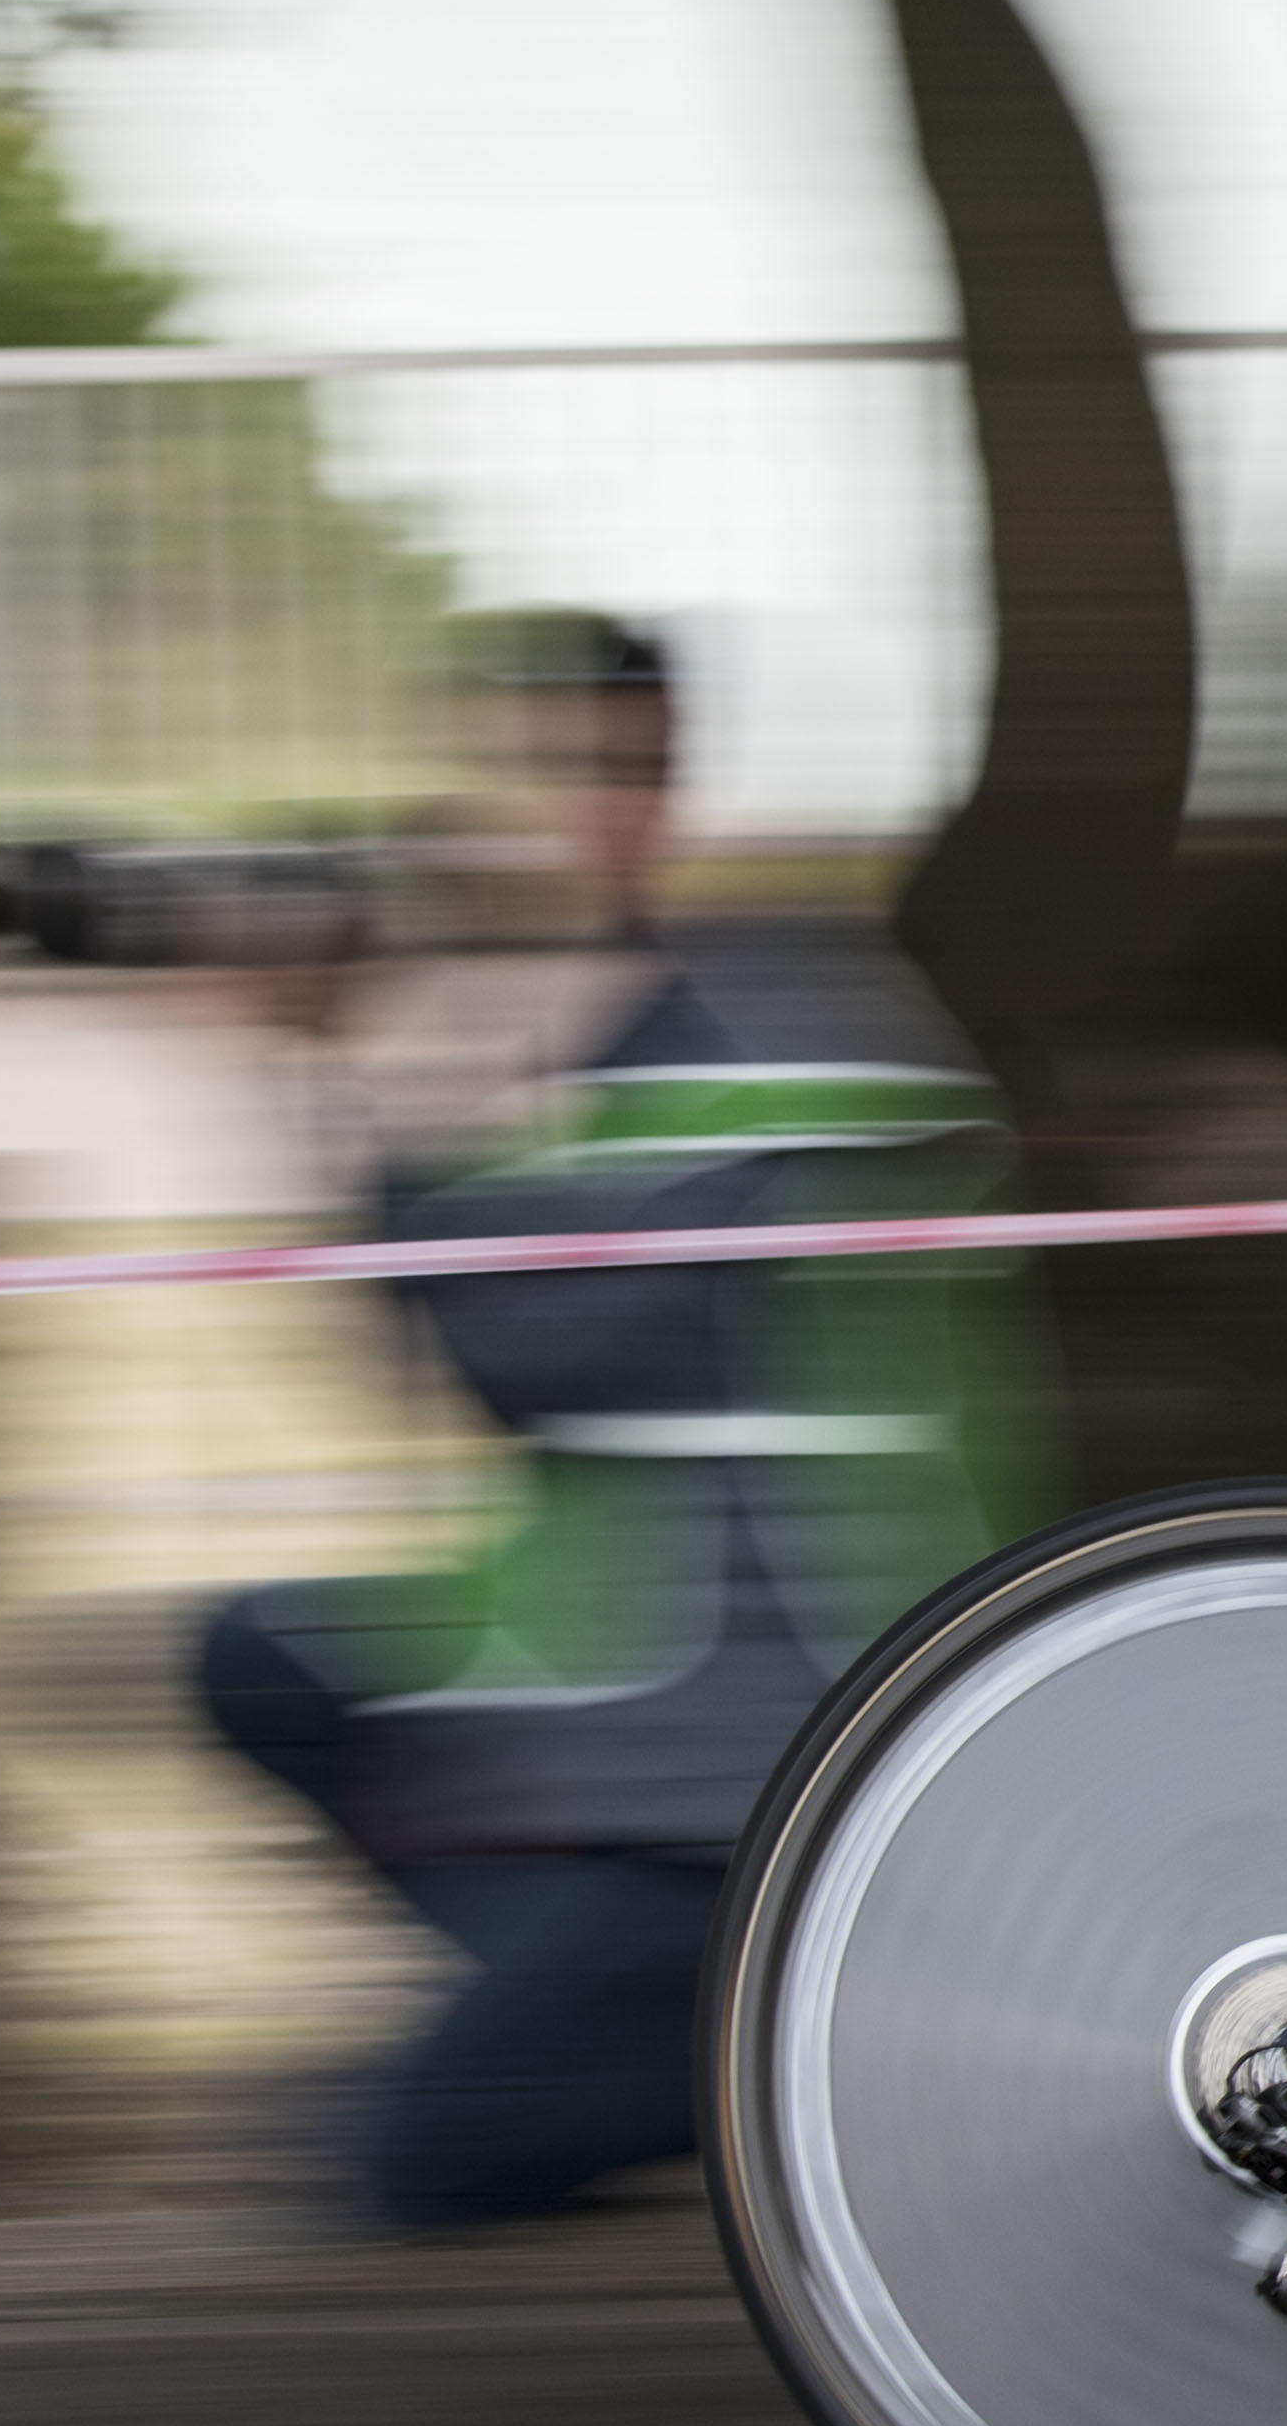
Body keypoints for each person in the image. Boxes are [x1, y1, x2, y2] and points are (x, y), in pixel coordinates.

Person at [191, 614, 1045, 2228]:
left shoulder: (787, 1040)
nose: (526, 820)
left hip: (776, 1762)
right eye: (504, 775)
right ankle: (598, 2008)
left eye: (590, 774)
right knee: (254, 1659)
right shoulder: (615, 1033)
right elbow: (440, 1340)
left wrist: (377, 1075)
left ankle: (800, 2019)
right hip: (614, 1698)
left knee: (400, 2162)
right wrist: (351, 1079)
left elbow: (539, 1359)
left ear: (671, 796)